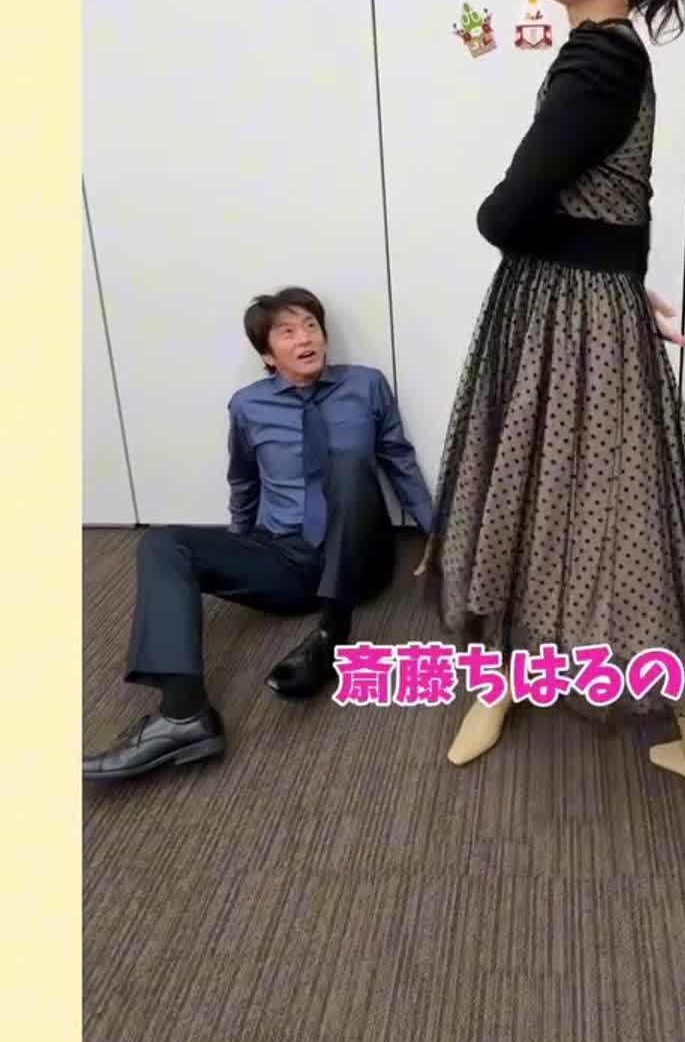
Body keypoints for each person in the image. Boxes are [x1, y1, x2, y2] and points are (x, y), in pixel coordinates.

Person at [422, 0, 685, 780]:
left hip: (566, 316)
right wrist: (617, 274)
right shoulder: (606, 55)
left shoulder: (599, 60)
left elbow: (505, 214)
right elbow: (620, 200)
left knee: (598, 508)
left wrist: (599, 269)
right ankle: (509, 678)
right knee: (542, 494)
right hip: (569, 305)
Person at [83, 286, 433, 782]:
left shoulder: (366, 384)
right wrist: (237, 542)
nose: (304, 338)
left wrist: (438, 534)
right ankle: (183, 715)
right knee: (163, 543)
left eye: (311, 326)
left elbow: (398, 458)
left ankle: (330, 636)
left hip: (361, 556)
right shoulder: (248, 406)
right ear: (268, 355)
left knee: (350, 465)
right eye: (287, 332)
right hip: (288, 557)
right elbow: (243, 481)